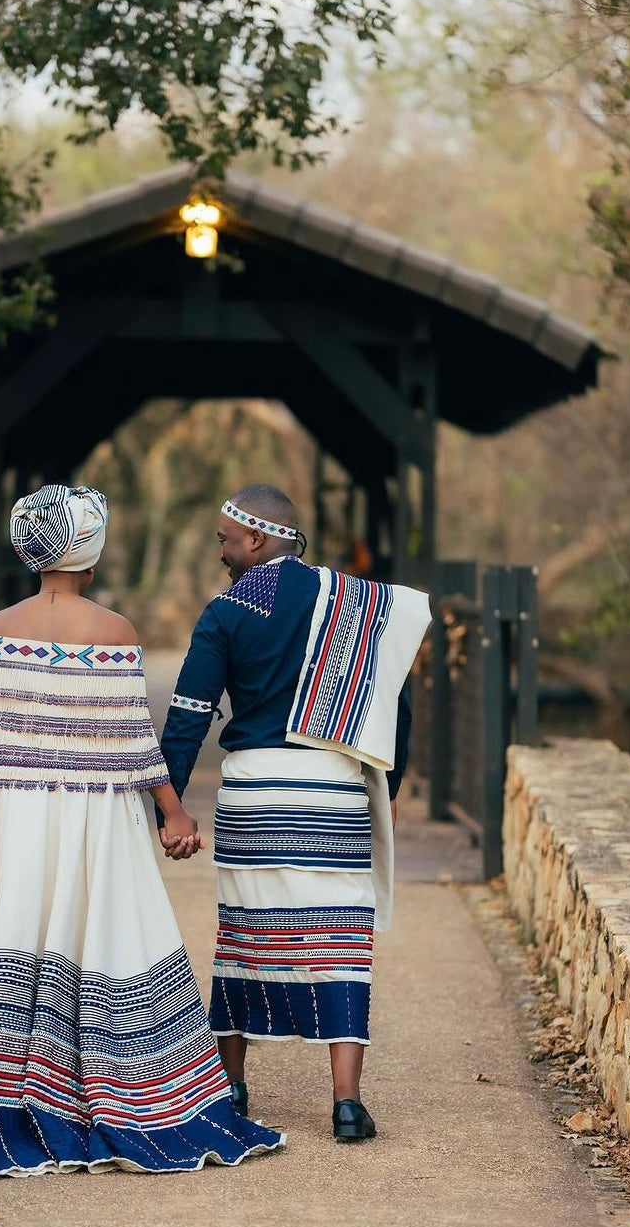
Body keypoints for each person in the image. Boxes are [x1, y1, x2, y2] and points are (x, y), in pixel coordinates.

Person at [0, 483, 284, 1176]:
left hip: (11, 812)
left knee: (11, 936)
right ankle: (93, 1087)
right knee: (95, 939)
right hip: (90, 815)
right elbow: (133, 742)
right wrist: (172, 811)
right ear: (91, 549)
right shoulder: (115, 633)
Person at [160, 485, 429, 1143]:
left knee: (243, 938)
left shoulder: (225, 612)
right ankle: (346, 1104)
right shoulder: (355, 604)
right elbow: (394, 701)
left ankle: (233, 1087)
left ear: (257, 539)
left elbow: (189, 717)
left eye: (226, 538)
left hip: (254, 793)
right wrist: (384, 791)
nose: (221, 551)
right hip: (332, 791)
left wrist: (168, 808)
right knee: (340, 941)